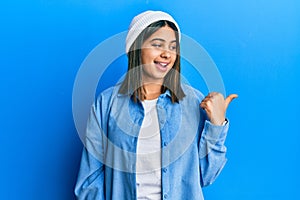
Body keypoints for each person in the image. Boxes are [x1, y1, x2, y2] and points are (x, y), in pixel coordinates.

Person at [74, 10, 237, 200]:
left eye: (173, 47)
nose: (167, 54)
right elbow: (88, 182)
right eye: (157, 44)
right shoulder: (106, 104)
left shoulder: (193, 101)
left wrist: (216, 125)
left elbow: (206, 176)